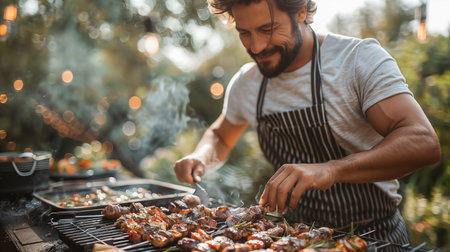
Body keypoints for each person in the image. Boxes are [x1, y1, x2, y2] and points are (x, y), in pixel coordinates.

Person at [173, 0, 441, 247]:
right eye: (245, 33)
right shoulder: (247, 83)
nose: (255, 47)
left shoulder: (357, 60)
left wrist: (332, 170)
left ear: (301, 10)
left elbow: (423, 142)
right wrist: (201, 155)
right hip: (295, 240)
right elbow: (221, 134)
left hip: (373, 238)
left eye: (268, 29)